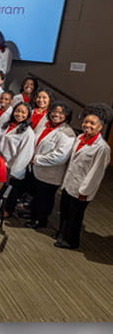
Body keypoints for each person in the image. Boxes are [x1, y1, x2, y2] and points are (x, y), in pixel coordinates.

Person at [56, 103, 113, 250]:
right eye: (86, 122)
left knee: (75, 216)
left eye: (92, 123)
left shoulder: (102, 148)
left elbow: (96, 173)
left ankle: (71, 241)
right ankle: (62, 234)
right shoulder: (80, 137)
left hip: (82, 188)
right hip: (70, 182)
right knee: (65, 211)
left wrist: (85, 191)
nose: (87, 125)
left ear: (100, 127)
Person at [26, 102, 75, 229]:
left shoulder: (68, 133)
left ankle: (41, 220)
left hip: (50, 173)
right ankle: (33, 215)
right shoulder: (45, 125)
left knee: (45, 199)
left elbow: (60, 156)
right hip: (36, 169)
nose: (56, 114)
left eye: (61, 113)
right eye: (54, 111)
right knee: (37, 195)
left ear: (67, 115)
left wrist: (36, 160)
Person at [0, 102, 35, 218]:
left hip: (12, 167)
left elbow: (25, 154)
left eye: (23, 112)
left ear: (28, 115)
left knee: (10, 192)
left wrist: (15, 171)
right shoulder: (7, 125)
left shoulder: (28, 132)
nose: (19, 114)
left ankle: (7, 211)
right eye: (17, 111)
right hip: (0, 163)